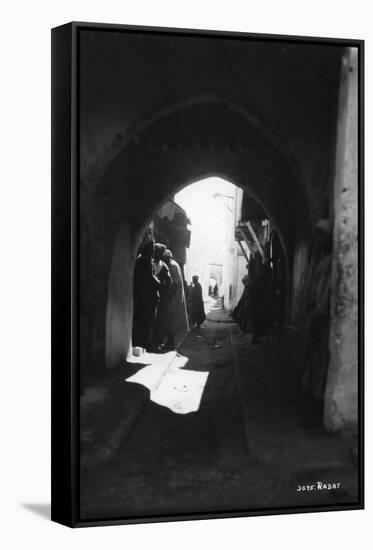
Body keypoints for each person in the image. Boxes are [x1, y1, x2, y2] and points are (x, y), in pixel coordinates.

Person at [301, 219, 333, 429]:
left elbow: (327, 292)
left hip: (323, 317)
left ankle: (317, 415)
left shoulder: (331, 262)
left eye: (321, 235)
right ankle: (311, 412)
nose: (317, 239)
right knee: (312, 362)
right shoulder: (320, 260)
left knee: (320, 364)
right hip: (316, 315)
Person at [132, 232, 161, 350]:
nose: (153, 249)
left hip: (145, 297)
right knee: (146, 321)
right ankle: (145, 344)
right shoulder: (145, 260)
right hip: (145, 297)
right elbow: (150, 277)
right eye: (152, 246)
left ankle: (144, 343)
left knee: (146, 321)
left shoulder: (145, 259)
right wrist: (159, 283)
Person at [162, 249, 189, 349]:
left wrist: (169, 295)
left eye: (165, 258)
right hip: (173, 297)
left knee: (171, 320)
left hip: (173, 297)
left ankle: (171, 343)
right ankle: (170, 342)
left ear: (168, 258)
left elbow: (175, 283)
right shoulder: (173, 264)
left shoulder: (172, 265)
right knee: (171, 320)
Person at [153, 243, 171, 348]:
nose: (158, 255)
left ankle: (157, 342)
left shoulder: (163, 267)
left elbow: (168, 282)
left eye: (160, 253)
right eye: (157, 252)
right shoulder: (150, 263)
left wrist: (160, 285)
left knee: (159, 320)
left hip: (159, 297)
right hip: (148, 296)